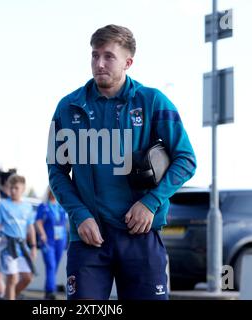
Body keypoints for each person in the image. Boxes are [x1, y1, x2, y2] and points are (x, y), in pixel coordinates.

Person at [47, 25, 197, 300]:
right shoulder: (67, 107)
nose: (99, 63)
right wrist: (80, 215)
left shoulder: (153, 101)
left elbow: (186, 160)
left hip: (140, 234)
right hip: (88, 237)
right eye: (94, 55)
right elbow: (56, 172)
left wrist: (150, 203)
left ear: (128, 62)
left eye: (108, 56)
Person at [0, 174, 37, 300]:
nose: (13, 191)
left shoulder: (27, 207)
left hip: (22, 246)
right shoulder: (3, 205)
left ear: (22, 189)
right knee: (12, 278)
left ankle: (7, 296)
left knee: (27, 278)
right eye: (11, 188)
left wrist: (33, 246)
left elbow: (30, 227)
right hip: (7, 246)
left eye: (16, 188)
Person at [35, 187, 68, 300]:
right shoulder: (43, 206)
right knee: (51, 265)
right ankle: (50, 291)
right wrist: (42, 234)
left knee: (55, 266)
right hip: (47, 240)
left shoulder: (61, 206)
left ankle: (49, 288)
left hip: (60, 240)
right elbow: (38, 223)